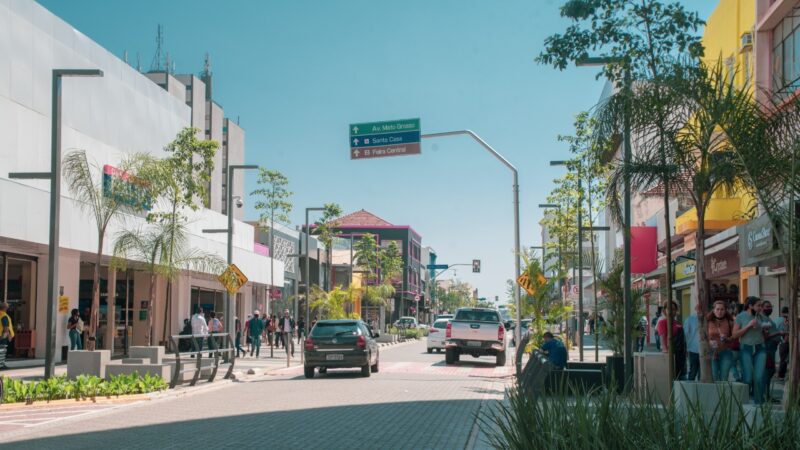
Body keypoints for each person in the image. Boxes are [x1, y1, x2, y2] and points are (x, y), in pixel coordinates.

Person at [733, 296, 767, 404]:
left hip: (760, 347)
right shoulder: (740, 316)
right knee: (747, 378)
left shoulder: (761, 317)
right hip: (746, 348)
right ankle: (744, 403)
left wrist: (765, 330)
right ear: (750, 306)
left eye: (761, 306)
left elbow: (765, 334)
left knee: (759, 377)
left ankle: (759, 404)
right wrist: (748, 326)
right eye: (758, 305)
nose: (761, 308)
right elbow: (734, 335)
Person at [707, 300, 735, 382]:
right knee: (714, 377)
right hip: (712, 352)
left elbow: (734, 337)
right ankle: (714, 395)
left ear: (725, 310)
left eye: (722, 309)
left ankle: (723, 395)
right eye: (717, 309)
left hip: (726, 351)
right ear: (713, 310)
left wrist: (727, 338)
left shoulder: (730, 322)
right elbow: (703, 337)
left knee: (724, 377)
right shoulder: (708, 321)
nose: (720, 311)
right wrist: (710, 342)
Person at [656, 301, 685, 380]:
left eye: (674, 309)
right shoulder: (662, 322)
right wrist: (665, 350)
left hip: (680, 355)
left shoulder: (677, 323)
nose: (671, 311)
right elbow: (662, 337)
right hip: (670, 354)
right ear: (664, 310)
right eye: (669, 309)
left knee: (679, 376)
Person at [761, 300, 783, 400]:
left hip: (772, 349)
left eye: (770, 306)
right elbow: (765, 336)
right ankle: (765, 394)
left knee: (770, 371)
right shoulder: (763, 319)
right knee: (768, 371)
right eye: (767, 306)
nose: (769, 308)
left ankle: (766, 394)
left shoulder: (768, 319)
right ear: (761, 307)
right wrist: (779, 333)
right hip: (767, 349)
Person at [683, 311, 700, 381]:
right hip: (693, 349)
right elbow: (685, 334)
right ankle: (690, 389)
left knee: (702, 373)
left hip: (704, 350)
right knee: (693, 370)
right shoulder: (690, 319)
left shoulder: (708, 318)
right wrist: (686, 348)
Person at [777, 307, 790, 380]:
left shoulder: (777, 320)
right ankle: (781, 375)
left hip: (783, 343)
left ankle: (781, 375)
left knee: (783, 360)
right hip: (785, 342)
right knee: (784, 360)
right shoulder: (786, 321)